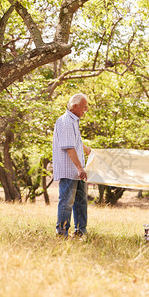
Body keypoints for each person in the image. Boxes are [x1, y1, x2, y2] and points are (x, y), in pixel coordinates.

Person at [52, 93, 92, 238]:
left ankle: (81, 231)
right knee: (67, 202)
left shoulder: (74, 121)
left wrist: (87, 150)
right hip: (70, 170)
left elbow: (76, 142)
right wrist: (80, 168)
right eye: (84, 107)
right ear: (74, 107)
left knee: (81, 202)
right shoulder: (65, 121)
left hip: (78, 171)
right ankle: (62, 232)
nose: (86, 110)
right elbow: (69, 147)